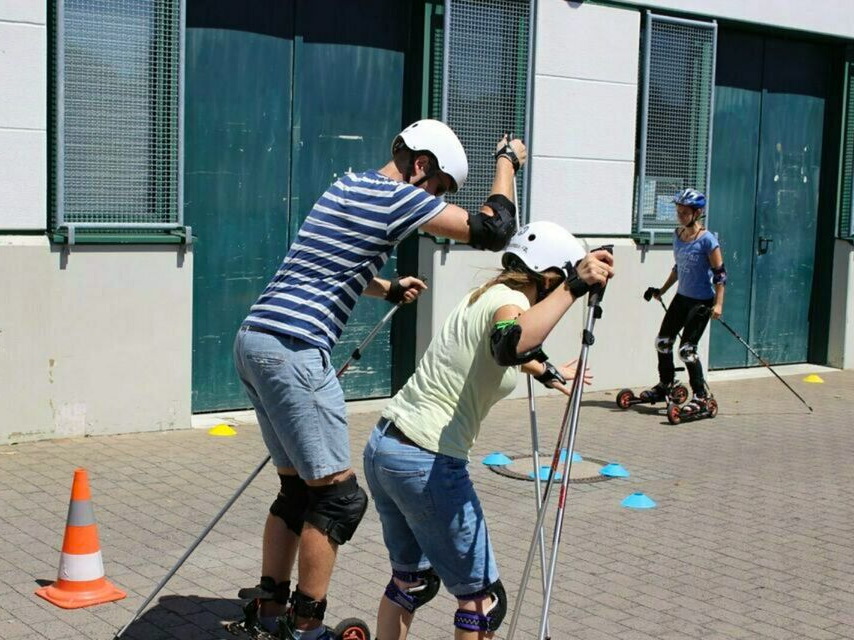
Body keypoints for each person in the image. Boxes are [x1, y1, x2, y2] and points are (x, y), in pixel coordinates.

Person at [231, 119, 528, 640]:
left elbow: (333, 264)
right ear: (420, 166)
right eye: (439, 189)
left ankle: (269, 612)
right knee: (338, 500)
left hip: (256, 339)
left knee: (297, 491)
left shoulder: (347, 187)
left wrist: (387, 287)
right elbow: (494, 229)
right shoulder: (398, 196)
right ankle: (306, 629)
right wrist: (506, 162)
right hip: (296, 349)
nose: (437, 203)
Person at [362, 222, 614, 640]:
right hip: (427, 459)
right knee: (483, 600)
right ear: (549, 276)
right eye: (560, 281)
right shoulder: (511, 302)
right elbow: (508, 343)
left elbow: (503, 351)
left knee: (412, 582)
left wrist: (549, 371)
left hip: (385, 447)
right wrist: (574, 288)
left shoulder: (485, 295)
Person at [643, 188, 726, 409]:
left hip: (701, 302)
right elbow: (679, 267)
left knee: (686, 350)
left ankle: (700, 395)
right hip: (681, 298)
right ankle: (666, 384)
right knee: (663, 343)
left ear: (697, 213)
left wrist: (718, 304)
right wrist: (662, 290)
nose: (680, 216)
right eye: (678, 212)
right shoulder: (677, 235)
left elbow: (720, 275)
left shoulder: (708, 240)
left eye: (685, 212)